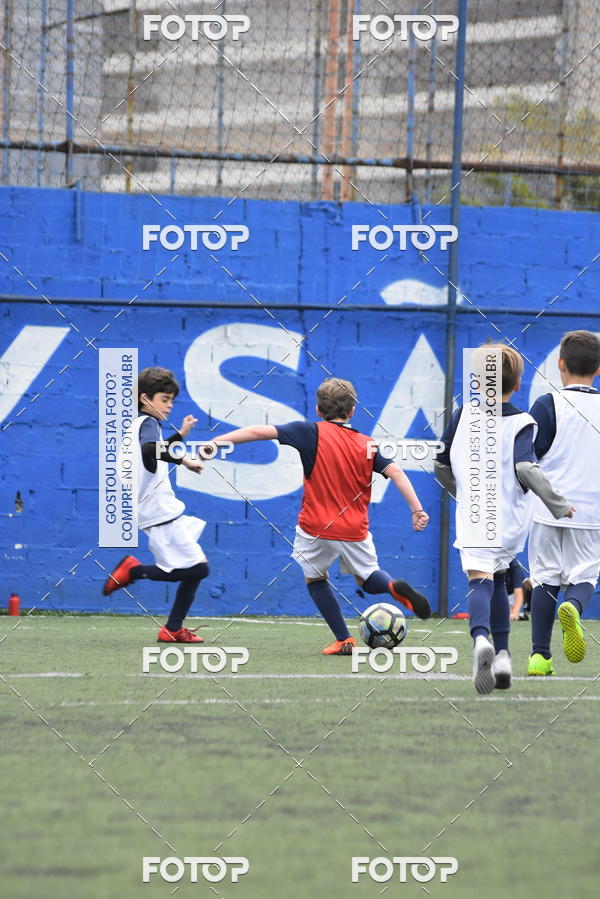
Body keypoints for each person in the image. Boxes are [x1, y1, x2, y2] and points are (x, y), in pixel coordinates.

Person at [206, 377, 431, 655]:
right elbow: (396, 472)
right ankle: (392, 586)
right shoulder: (367, 443)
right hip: (354, 530)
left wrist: (217, 441)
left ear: (318, 410)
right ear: (352, 411)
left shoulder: (308, 432)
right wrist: (417, 509)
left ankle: (344, 639)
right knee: (368, 578)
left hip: (316, 528)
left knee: (315, 579)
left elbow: (257, 431)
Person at [435, 344, 573, 694]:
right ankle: (503, 657)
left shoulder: (463, 414)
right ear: (517, 383)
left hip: (477, 514)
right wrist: (558, 504)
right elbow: (526, 467)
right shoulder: (524, 422)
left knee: (479, 580)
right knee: (498, 578)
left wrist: (460, 490)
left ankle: (481, 638)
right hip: (512, 520)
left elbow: (440, 463)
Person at [102, 367, 208, 643]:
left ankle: (172, 629)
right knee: (197, 569)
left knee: (194, 569)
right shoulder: (148, 423)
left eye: (172, 400)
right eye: (165, 399)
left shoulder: (141, 425)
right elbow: (150, 449)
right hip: (160, 512)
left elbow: (154, 450)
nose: (170, 405)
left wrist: (181, 434)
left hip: (161, 511)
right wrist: (184, 459)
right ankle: (133, 571)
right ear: (145, 399)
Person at [527, 330, 600, 675]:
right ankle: (573, 605)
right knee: (585, 575)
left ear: (560, 365)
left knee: (544, 578)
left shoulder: (546, 405)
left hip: (547, 508)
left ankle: (540, 657)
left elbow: (527, 457)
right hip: (592, 511)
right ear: (598, 368)